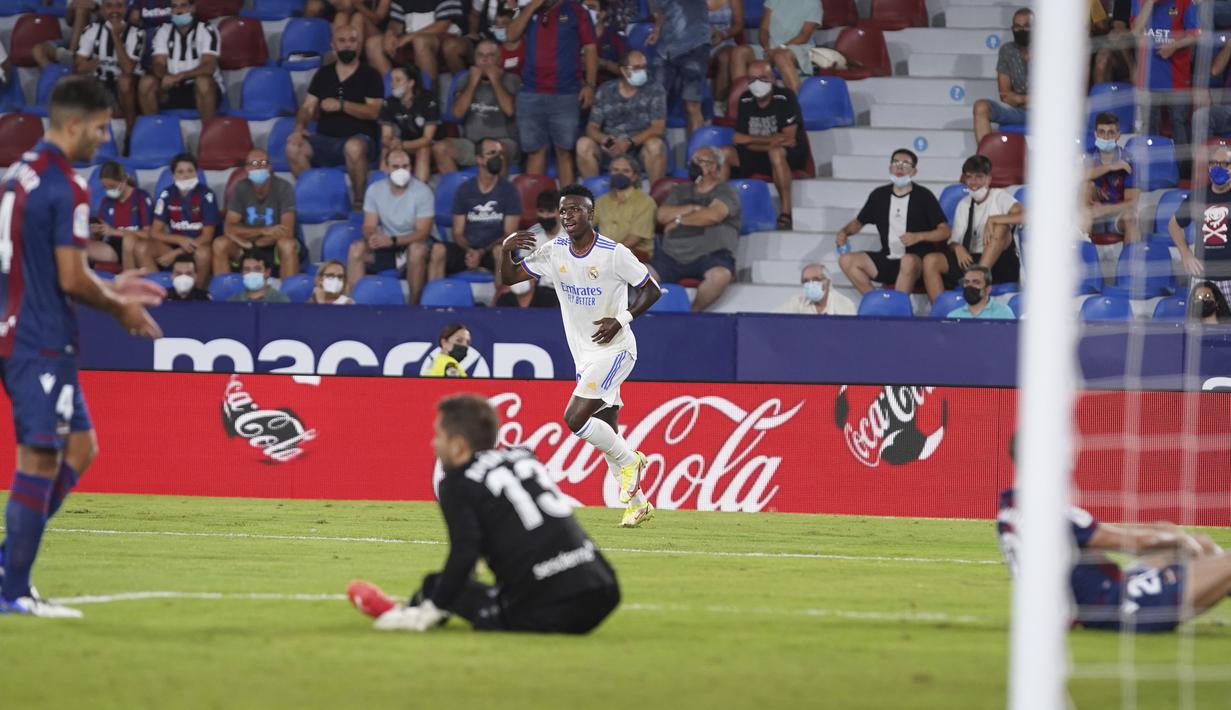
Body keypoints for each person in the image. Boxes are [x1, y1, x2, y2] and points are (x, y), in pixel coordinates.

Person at [0, 76, 163, 618]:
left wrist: (114, 287)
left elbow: (49, 267)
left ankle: (8, 567)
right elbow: (71, 278)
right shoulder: (66, 184)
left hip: (22, 326)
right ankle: (13, 590)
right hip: (40, 338)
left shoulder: (20, 173)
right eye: (100, 125)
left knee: (81, 448)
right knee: (42, 456)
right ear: (74, 124)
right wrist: (119, 307)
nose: (105, 135)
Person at [347, 394, 620, 633]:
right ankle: (413, 606)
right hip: (605, 588)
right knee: (444, 585)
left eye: (439, 435)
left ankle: (411, 611)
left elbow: (465, 553)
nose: (434, 443)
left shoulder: (457, 481)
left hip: (552, 606)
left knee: (443, 588)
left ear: (458, 446)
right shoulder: (523, 456)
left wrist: (433, 608)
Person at [501, 184, 662, 527]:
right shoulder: (554, 250)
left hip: (616, 350)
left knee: (575, 418)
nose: (567, 216)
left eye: (574, 210)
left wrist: (622, 319)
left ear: (591, 214)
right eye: (563, 211)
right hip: (584, 356)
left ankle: (631, 460)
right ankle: (638, 504)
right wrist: (505, 251)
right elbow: (511, 277)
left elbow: (652, 289)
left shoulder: (612, 252)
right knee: (605, 430)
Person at [998, 477, 1231, 634]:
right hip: (1119, 604)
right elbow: (1136, 543)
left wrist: (1164, 531)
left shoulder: (1011, 507)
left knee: (1201, 544)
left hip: (1099, 596)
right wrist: (1175, 537)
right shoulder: (1046, 509)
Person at [287, 25, 385, 210]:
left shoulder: (370, 74)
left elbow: (375, 112)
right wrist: (299, 128)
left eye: (352, 41)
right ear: (333, 45)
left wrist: (342, 105)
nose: (348, 45)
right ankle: (318, 196)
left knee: (353, 147)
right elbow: (307, 107)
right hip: (325, 140)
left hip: (360, 139)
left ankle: (359, 201)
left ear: (359, 45)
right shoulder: (324, 74)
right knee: (293, 147)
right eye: (342, 41)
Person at [508, 0, 598, 186]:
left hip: (565, 93)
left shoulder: (577, 11)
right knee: (535, 152)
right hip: (531, 92)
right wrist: (532, 7)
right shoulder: (527, 10)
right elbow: (510, 35)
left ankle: (568, 214)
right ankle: (539, 210)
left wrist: (589, 84)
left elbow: (590, 48)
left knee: (564, 152)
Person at [836, 149, 950, 295]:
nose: (900, 167)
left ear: (914, 171)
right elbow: (859, 222)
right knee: (846, 260)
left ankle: (897, 308)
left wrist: (918, 236)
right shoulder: (878, 195)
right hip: (888, 258)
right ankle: (878, 303)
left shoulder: (924, 196)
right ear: (890, 168)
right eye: (896, 162)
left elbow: (945, 231)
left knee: (907, 260)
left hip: (917, 263)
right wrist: (844, 232)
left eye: (905, 164)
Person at [922, 155, 1021, 303]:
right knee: (930, 260)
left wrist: (993, 219)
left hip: (1000, 262)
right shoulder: (964, 204)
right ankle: (941, 311)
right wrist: (958, 248)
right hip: (971, 258)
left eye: (979, 177)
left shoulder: (999, 196)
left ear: (988, 179)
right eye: (969, 177)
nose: (973, 182)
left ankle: (978, 277)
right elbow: (953, 241)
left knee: (1000, 228)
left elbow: (1026, 216)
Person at [653, 146, 741, 311]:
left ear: (714, 166)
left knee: (720, 276)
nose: (694, 165)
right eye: (693, 161)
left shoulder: (725, 190)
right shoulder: (681, 190)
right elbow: (662, 215)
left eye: (700, 161)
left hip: (711, 255)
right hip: (671, 256)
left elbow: (713, 215)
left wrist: (678, 221)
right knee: (638, 274)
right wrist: (693, 208)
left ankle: (693, 313)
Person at [724, 58, 806, 230]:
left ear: (772, 78)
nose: (757, 83)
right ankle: (721, 208)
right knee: (723, 153)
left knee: (776, 153)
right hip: (758, 153)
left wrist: (750, 140)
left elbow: (789, 138)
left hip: (787, 155)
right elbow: (739, 139)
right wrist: (770, 141)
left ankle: (785, 211)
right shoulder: (745, 99)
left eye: (762, 78)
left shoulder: (785, 97)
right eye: (752, 79)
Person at [349, 148, 435, 303]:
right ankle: (355, 305)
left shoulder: (423, 192)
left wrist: (393, 240)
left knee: (417, 250)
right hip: (388, 244)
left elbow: (423, 232)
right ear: (386, 168)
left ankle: (413, 306)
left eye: (405, 166)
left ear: (411, 167)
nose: (401, 170)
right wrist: (373, 237)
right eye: (396, 167)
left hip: (412, 242)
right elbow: (368, 226)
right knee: (356, 249)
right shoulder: (375, 190)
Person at [431, 38, 522, 173]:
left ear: (499, 59)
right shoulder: (465, 79)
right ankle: (458, 191)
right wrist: (472, 83)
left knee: (497, 150)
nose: (484, 60)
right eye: (480, 56)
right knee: (440, 148)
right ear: (474, 59)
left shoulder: (512, 80)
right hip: (472, 144)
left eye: (490, 56)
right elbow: (457, 113)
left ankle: (497, 193)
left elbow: (510, 110)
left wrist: (495, 81)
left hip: (503, 142)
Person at [439, 137, 521, 284]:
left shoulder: (510, 191)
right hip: (467, 250)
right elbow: (457, 232)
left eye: (500, 154)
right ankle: (433, 301)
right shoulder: (464, 190)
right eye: (492, 153)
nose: (498, 158)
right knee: (438, 250)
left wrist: (481, 252)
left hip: (493, 250)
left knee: (500, 252)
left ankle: (500, 303)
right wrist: (470, 251)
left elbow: (509, 234)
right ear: (479, 159)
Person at [577, 49, 668, 182]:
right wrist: (605, 140)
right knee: (583, 144)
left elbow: (658, 127)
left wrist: (629, 143)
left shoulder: (655, 89)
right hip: (610, 151)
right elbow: (591, 128)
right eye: (637, 68)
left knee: (655, 145)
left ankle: (656, 199)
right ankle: (594, 195)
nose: (643, 72)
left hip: (639, 150)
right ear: (624, 70)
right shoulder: (605, 90)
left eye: (644, 67)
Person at [213, 149, 298, 281]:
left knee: (288, 244)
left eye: (263, 163)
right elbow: (229, 228)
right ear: (246, 169)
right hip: (245, 246)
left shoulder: (284, 187)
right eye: (253, 163)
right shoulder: (240, 188)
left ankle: (286, 298)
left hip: (272, 245)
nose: (258, 167)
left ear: (270, 167)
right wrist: (264, 230)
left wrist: (255, 244)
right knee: (220, 243)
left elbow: (286, 232)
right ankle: (224, 295)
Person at [1132, 0, 1199, 164]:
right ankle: (1152, 169)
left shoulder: (1185, 2)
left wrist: (1174, 46)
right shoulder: (1139, 1)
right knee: (1150, 126)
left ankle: (1184, 174)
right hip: (1148, 77)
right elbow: (1136, 30)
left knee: (1179, 125)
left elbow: (1195, 34)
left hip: (1177, 75)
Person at [142, 153, 219, 286]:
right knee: (141, 248)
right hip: (173, 245)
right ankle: (160, 292)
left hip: (197, 246)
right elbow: (155, 232)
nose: (186, 175)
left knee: (204, 253)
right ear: (173, 175)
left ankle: (197, 294)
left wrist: (177, 252)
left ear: (196, 173)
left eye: (190, 171)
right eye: (180, 172)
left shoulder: (207, 195)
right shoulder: (167, 194)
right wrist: (179, 240)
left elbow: (207, 237)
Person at [138, 0, 222, 121]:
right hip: (173, 87)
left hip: (199, 88)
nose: (178, 10)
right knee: (146, 82)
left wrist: (179, 76)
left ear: (192, 8)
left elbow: (209, 67)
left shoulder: (207, 29)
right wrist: (166, 76)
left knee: (203, 82)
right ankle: (155, 130)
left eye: (183, 5)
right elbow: (158, 63)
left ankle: (208, 134)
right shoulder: (163, 30)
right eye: (174, 6)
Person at [1171, 144, 1231, 295]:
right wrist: (1185, 254)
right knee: (1198, 319)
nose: (1219, 168)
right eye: (1214, 163)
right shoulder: (1198, 196)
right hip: (1202, 278)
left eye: (1226, 164)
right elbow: (1174, 224)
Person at [74, 0, 143, 132]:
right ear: (103, 9)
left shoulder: (136, 33)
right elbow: (79, 66)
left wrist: (115, 36)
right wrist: (90, 65)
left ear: (126, 9)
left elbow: (128, 69)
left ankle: (130, 131)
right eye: (109, 6)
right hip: (101, 83)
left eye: (119, 6)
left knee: (124, 81)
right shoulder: (92, 30)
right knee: (78, 81)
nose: (114, 11)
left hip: (129, 88)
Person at [363, 0, 467, 86]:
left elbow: (442, 25)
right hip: (410, 42)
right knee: (373, 44)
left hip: (441, 41)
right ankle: (393, 96)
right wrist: (390, 34)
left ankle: (428, 99)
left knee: (420, 41)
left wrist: (409, 37)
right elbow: (396, 22)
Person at [729, 0, 819, 96]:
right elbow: (763, 29)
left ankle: (796, 105)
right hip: (770, 49)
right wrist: (767, 48)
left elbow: (804, 36)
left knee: (780, 56)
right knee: (739, 52)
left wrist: (779, 48)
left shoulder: (813, 2)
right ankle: (742, 102)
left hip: (799, 48)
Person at [646, 0, 709, 134]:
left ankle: (696, 152)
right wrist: (656, 30)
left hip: (694, 47)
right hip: (665, 49)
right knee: (656, 103)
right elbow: (661, 10)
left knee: (692, 106)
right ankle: (656, 151)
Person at [973, 8, 1031, 143]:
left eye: (1027, 27)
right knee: (981, 107)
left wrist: (1018, 98)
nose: (1021, 31)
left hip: (1048, 113)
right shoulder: (1007, 50)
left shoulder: (1050, 50)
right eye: (1017, 27)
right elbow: (1005, 94)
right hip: (1018, 112)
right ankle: (984, 162)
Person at [379, 64, 441, 183]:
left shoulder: (428, 99)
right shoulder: (389, 102)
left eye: (398, 80)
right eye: (392, 80)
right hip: (405, 144)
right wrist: (393, 143)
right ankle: (385, 188)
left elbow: (427, 139)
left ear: (411, 83)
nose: (392, 84)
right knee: (386, 150)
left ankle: (420, 191)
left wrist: (402, 145)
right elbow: (385, 136)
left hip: (431, 146)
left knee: (423, 150)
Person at [1084, 112, 1140, 242]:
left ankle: (1129, 261)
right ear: (1095, 134)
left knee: (1131, 218)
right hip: (1091, 214)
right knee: (1086, 188)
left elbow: (1132, 202)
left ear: (1118, 135)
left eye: (1111, 132)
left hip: (1116, 214)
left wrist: (1105, 210)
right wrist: (1110, 167)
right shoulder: (1087, 156)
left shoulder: (1129, 160)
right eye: (1102, 132)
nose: (1106, 137)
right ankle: (1083, 257)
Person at [91, 160, 152, 271]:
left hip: (135, 245)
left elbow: (147, 234)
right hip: (113, 246)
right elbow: (101, 232)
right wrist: (96, 231)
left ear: (123, 180)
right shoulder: (106, 201)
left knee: (128, 240)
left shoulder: (141, 197)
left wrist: (113, 231)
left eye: (111, 186)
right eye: (105, 188)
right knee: (76, 245)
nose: (108, 190)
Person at [594, 153, 655, 261]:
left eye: (625, 171)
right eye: (615, 170)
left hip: (634, 255)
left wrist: (607, 255)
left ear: (635, 176)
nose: (619, 174)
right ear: (610, 173)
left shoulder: (645, 202)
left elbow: (634, 239)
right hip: (604, 254)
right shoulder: (601, 201)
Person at [773, 263, 855, 316]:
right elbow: (772, 318)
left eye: (816, 280)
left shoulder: (844, 304)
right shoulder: (798, 302)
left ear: (828, 282)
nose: (810, 284)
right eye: (806, 281)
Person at [945, 265, 1014, 319]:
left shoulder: (1003, 313)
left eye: (976, 282)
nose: (970, 286)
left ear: (988, 289)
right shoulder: (953, 316)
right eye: (967, 282)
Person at [707, 0, 742, 105]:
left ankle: (719, 104)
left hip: (725, 41)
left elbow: (739, 24)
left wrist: (723, 35)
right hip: (697, 42)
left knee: (725, 57)